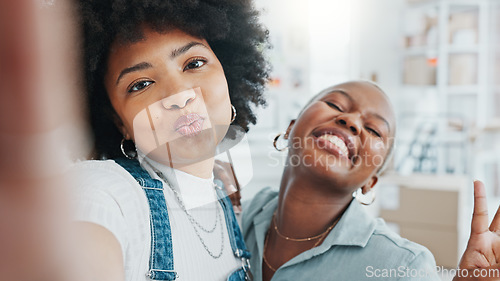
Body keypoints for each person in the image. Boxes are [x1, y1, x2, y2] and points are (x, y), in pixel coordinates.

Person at [71, 0, 270, 280]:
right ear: (120, 123)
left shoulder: (228, 204)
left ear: (228, 72)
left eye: (194, 63)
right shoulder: (108, 193)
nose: (179, 95)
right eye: (140, 84)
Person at [241, 81, 500, 281]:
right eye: (335, 105)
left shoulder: (402, 266)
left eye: (374, 130)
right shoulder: (235, 220)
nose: (350, 120)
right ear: (290, 129)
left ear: (370, 182)